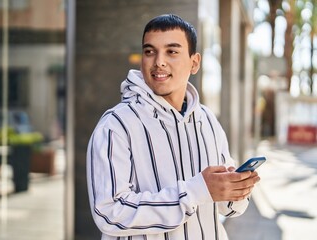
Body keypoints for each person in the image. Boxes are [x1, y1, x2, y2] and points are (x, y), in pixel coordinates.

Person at [86, 14, 260, 240]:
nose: (159, 61)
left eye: (172, 51)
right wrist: (196, 192)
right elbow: (109, 213)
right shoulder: (116, 124)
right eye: (150, 51)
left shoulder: (207, 119)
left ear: (194, 63)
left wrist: (237, 191)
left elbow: (226, 207)